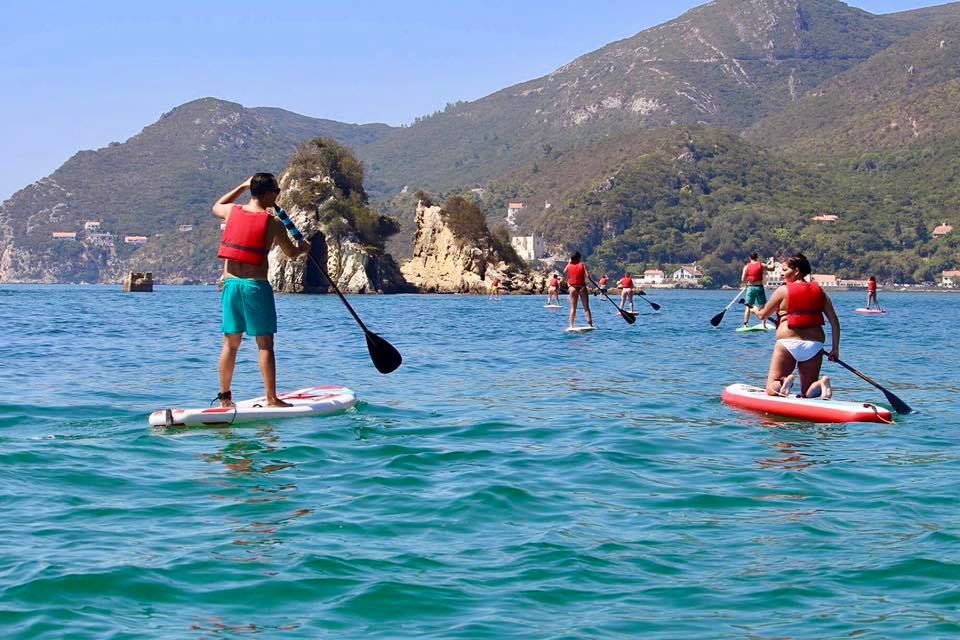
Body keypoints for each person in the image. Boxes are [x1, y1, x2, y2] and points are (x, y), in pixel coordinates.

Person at [211, 173, 311, 408]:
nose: (277, 196)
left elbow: (217, 205)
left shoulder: (232, 211)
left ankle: (225, 399)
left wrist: (242, 186)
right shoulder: (273, 223)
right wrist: (303, 248)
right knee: (265, 345)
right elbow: (291, 253)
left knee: (230, 344)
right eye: (276, 191)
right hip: (256, 287)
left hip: (231, 285)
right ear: (267, 194)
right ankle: (271, 398)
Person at [756, 253, 840, 399]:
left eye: (785, 270)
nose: (782, 274)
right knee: (808, 392)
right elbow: (834, 322)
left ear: (796, 271)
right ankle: (821, 384)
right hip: (814, 346)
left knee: (771, 389)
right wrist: (835, 348)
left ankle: (783, 382)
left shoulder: (783, 290)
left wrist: (754, 310)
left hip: (787, 344)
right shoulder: (820, 292)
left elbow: (763, 315)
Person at [564, 251, 593, 329]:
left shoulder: (569, 265)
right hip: (582, 287)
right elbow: (587, 275)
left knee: (573, 308)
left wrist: (569, 263)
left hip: (572, 288)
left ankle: (571, 326)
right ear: (579, 258)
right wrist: (588, 276)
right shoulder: (582, 265)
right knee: (586, 307)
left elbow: (564, 271)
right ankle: (590, 325)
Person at [741, 252, 771, 328]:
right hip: (759, 288)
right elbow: (772, 268)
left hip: (750, 288)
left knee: (748, 306)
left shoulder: (746, 266)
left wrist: (746, 284)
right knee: (763, 306)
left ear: (750, 258)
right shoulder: (761, 265)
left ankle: (745, 324)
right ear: (757, 257)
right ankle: (764, 325)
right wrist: (772, 261)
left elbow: (742, 279)